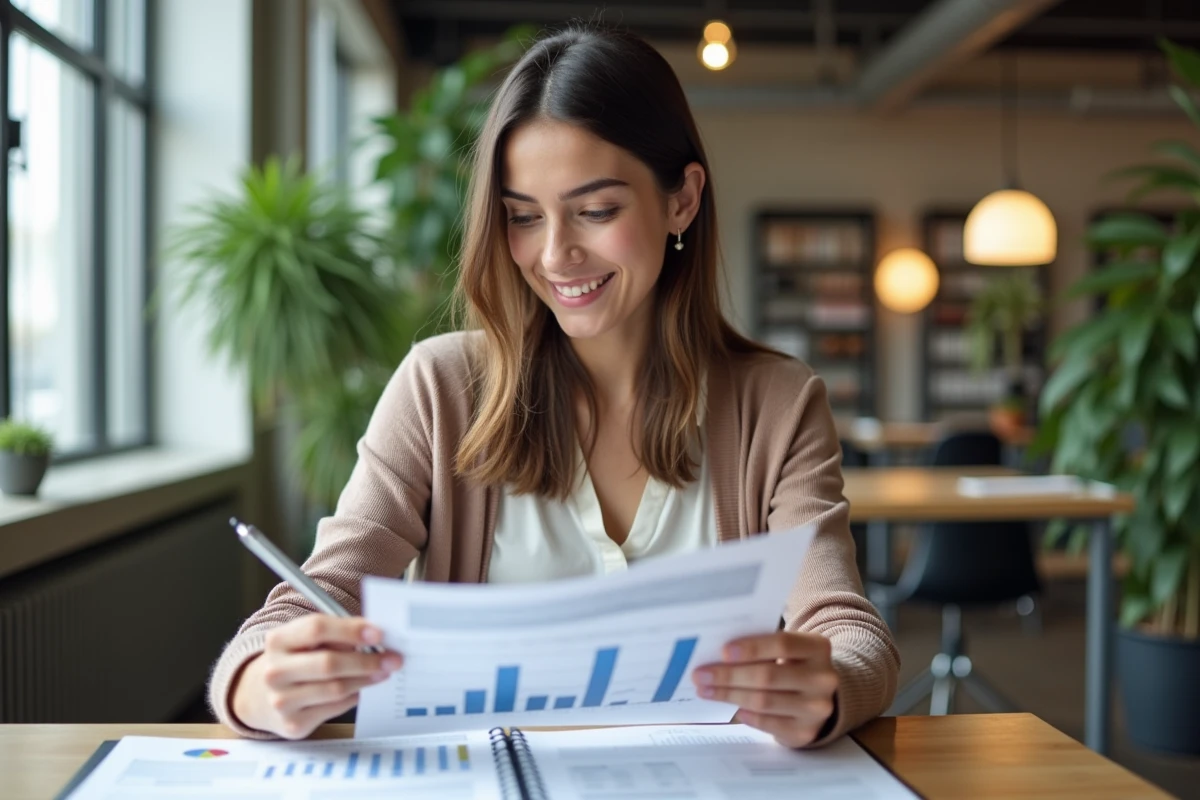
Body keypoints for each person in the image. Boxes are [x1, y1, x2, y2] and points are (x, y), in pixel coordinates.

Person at [209, 24, 899, 748]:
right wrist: (261, 684)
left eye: (596, 211)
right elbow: (312, 599)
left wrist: (827, 690)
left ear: (682, 200)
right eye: (522, 217)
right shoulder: (440, 388)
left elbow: (848, 631)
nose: (555, 254)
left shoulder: (778, 405)